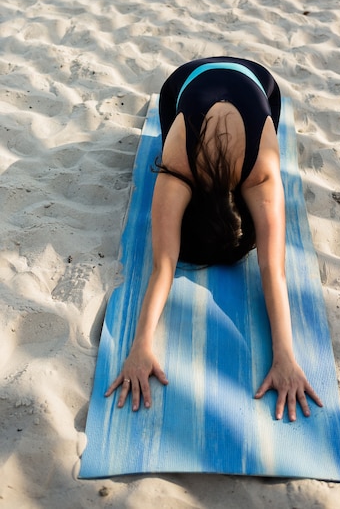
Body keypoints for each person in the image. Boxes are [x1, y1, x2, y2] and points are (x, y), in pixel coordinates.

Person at [105, 56, 323, 422]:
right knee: (173, 130)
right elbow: (271, 271)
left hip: (259, 82)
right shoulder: (181, 168)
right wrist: (140, 346)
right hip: (193, 81)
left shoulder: (255, 175)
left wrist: (286, 356)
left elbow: (164, 267)